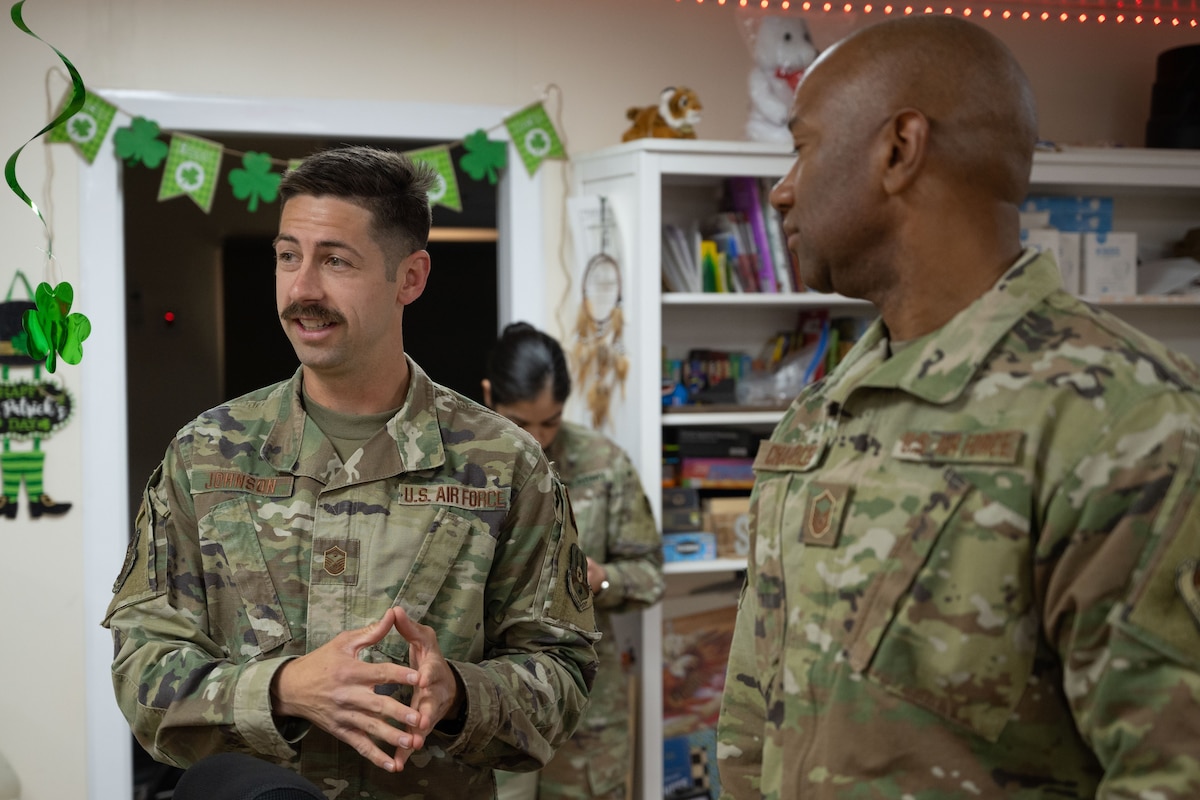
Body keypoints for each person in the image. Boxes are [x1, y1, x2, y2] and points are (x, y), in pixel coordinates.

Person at [716, 15, 1200, 800]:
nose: (781, 188)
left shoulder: (1129, 422)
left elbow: (1170, 773)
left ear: (900, 150)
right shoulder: (820, 419)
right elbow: (753, 722)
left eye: (801, 147)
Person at [102, 146, 600, 799]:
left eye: (336, 260)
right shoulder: (204, 456)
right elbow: (143, 672)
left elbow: (563, 678)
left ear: (410, 278)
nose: (302, 287)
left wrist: (457, 693)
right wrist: (280, 689)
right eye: (288, 256)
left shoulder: (506, 465)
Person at [484, 322, 665, 800]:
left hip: (587, 714)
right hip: (494, 706)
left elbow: (650, 575)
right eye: (521, 423)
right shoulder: (460, 466)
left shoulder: (603, 464)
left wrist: (602, 580)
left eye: (551, 422)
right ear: (489, 397)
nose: (537, 439)